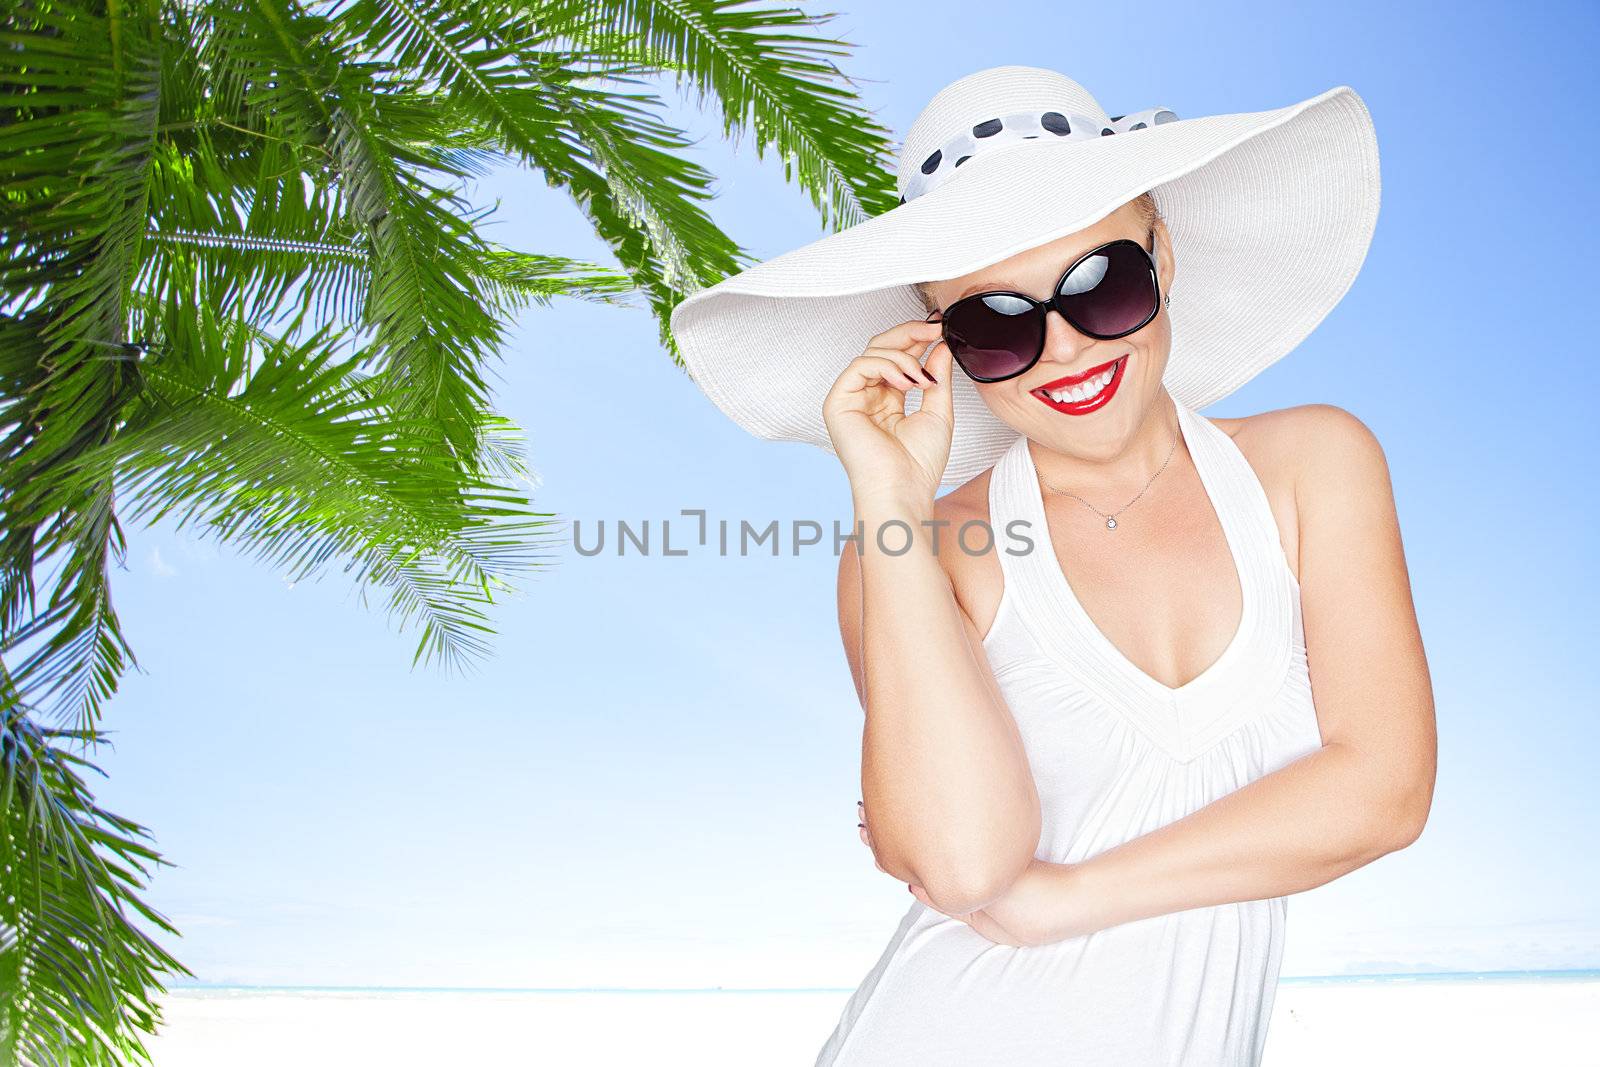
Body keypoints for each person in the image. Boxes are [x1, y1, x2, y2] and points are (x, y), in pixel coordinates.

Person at [668, 65, 1436, 1066]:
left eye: (1100, 284)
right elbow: (961, 859)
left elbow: (1382, 793)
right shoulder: (916, 550)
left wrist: (1068, 897)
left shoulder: (1311, 465)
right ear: (938, 347)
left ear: (1163, 257)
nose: (1065, 349)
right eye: (995, 323)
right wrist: (891, 499)